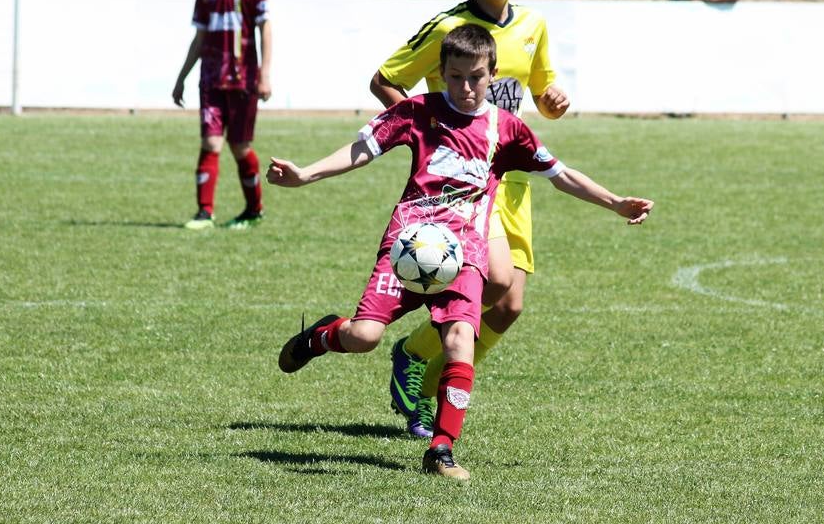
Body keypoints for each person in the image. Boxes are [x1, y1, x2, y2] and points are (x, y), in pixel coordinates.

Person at [270, 25, 653, 482]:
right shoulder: (417, 112)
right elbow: (362, 149)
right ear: (442, 74)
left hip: (464, 254)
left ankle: (441, 449)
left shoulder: (506, 128)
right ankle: (319, 337)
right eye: (454, 77)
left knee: (458, 342)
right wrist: (305, 175)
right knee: (364, 338)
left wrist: (614, 202)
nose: (465, 88)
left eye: (475, 77)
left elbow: (561, 174)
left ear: (493, 74)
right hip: (407, 247)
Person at [368, 0, 571, 440]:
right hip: (460, 192)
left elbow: (541, 92)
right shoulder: (446, 29)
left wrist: (553, 102)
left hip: (512, 186)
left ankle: (415, 356)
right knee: (485, 292)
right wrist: (430, 135)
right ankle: (428, 392)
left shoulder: (533, 26)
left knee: (509, 306)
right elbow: (386, 80)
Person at [172, 0, 273, 230]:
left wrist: (265, 74)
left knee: (240, 147)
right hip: (211, 81)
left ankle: (253, 210)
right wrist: (182, 77)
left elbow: (265, 28)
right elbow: (199, 38)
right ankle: (204, 212)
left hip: (243, 80)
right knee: (211, 143)